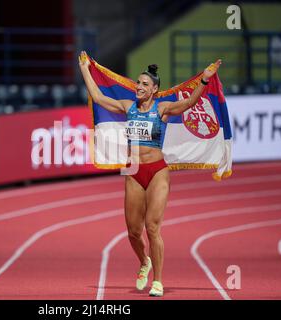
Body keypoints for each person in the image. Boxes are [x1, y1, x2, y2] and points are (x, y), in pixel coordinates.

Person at [78, 51, 222, 297]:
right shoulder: (128, 107)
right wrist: (84, 68)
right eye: (138, 83)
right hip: (133, 172)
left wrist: (205, 80)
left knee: (152, 227)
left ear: (154, 89)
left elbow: (188, 104)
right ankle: (143, 261)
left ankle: (158, 280)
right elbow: (98, 97)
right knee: (133, 232)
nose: (139, 86)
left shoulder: (162, 108)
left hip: (157, 171)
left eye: (144, 84)